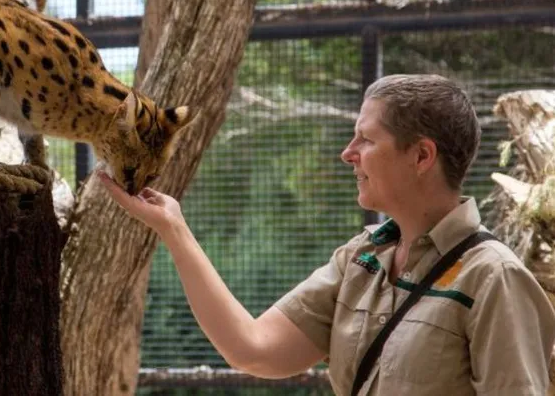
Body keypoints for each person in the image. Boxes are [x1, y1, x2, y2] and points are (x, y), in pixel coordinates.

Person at [98, 73, 555, 395]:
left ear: (421, 156)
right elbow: (253, 349)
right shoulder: (361, 260)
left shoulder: (492, 278)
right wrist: (174, 229)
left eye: (366, 140)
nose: (347, 153)